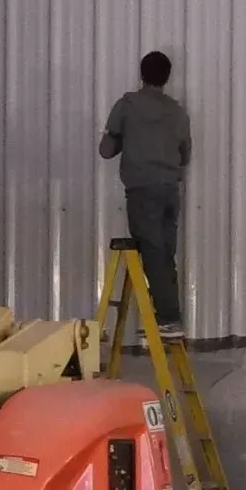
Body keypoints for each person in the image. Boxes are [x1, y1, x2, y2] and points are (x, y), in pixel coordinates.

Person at [100, 50, 191, 328]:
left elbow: (106, 151)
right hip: (170, 191)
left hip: (142, 191)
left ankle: (168, 319)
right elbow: (185, 155)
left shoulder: (127, 105)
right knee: (165, 254)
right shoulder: (177, 111)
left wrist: (124, 140)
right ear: (167, 77)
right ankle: (171, 318)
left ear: (142, 74)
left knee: (152, 253)